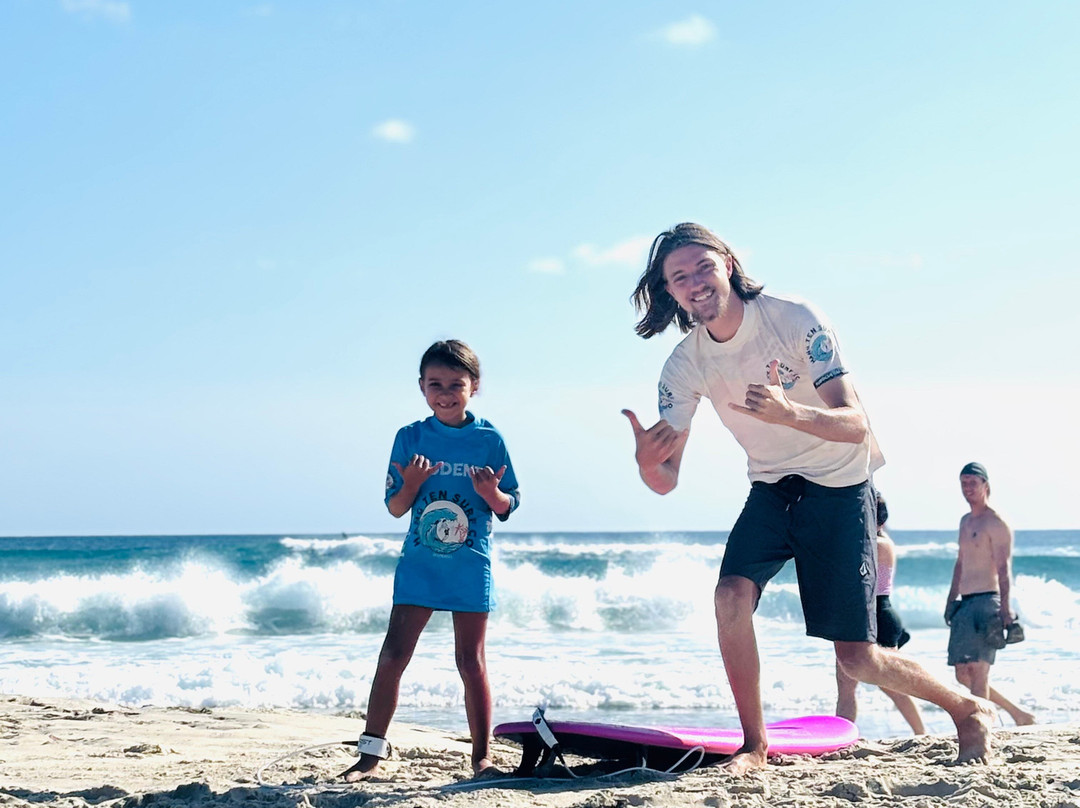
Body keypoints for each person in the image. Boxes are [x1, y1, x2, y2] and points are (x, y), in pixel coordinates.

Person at [621, 223, 994, 773]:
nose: (695, 281)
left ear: (727, 262)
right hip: (772, 487)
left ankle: (966, 709)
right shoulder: (685, 363)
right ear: (670, 292)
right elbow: (665, 480)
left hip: (839, 486)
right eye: (680, 277)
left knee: (858, 659)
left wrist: (789, 412)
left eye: (703, 266)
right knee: (729, 597)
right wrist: (646, 460)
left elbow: (856, 425)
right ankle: (755, 744)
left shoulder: (793, 317)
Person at [342, 340, 521, 781]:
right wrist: (414, 481)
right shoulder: (410, 438)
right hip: (420, 566)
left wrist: (489, 493)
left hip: (469, 565)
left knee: (471, 661)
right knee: (394, 655)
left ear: (473, 387)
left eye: (455, 384)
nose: (444, 393)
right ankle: (370, 754)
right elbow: (395, 508)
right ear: (421, 387)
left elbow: (507, 504)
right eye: (435, 384)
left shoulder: (489, 440)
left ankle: (482, 757)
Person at [944, 462, 1035, 726]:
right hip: (966, 602)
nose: (967, 488)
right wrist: (951, 600)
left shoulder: (996, 522)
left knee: (980, 672)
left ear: (985, 485)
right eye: (963, 483)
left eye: (972, 482)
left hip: (988, 602)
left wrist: (1005, 608)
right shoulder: (965, 521)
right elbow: (960, 563)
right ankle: (1019, 714)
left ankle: (982, 729)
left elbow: (1004, 568)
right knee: (963, 673)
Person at [835, 491, 926, 735]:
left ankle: (921, 732)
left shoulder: (881, 544)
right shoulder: (858, 541)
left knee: (892, 684)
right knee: (845, 684)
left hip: (879, 616)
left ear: (879, 521)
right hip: (856, 615)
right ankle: (841, 736)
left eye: (866, 515)